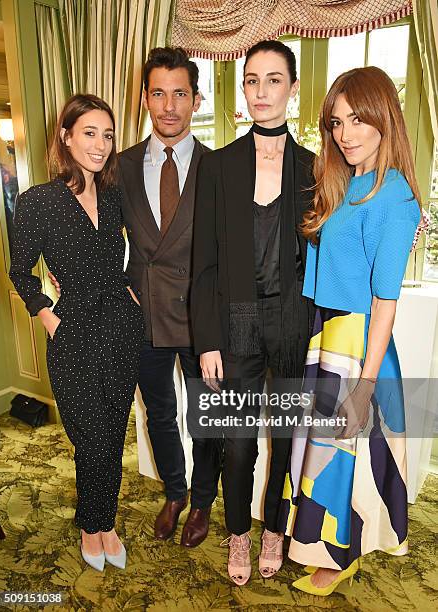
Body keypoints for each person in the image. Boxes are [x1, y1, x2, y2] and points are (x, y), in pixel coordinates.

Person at [277, 66, 421, 596]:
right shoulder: (349, 182)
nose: (346, 134)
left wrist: (364, 385)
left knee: (345, 453)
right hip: (328, 333)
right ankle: (330, 545)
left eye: (358, 120)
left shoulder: (394, 196)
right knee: (323, 452)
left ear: (385, 118)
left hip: (359, 342)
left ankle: (343, 556)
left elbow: (386, 301)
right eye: (337, 123)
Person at [191, 40, 316, 585]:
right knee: (238, 444)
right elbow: (204, 264)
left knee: (285, 440)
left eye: (273, 79)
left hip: (291, 322)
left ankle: (275, 528)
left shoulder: (316, 167)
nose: (261, 91)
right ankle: (239, 533)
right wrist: (207, 341)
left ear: (292, 87)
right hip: (235, 323)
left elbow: (338, 242)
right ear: (243, 89)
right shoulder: (218, 165)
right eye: (252, 80)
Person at [9, 94, 145, 572]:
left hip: (121, 328)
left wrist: (134, 291)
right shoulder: (38, 202)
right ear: (65, 137)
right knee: (88, 437)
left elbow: (143, 248)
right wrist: (48, 316)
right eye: (89, 132)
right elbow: (19, 271)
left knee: (110, 436)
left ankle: (104, 523)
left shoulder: (115, 194)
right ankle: (92, 524)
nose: (101, 144)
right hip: (72, 334)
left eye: (108, 135)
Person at [118, 47, 222, 547]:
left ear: (196, 99)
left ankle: (202, 502)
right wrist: (120, 284)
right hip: (145, 318)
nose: (169, 105)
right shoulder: (118, 166)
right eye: (158, 93)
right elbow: (95, 239)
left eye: (180, 93)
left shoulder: (220, 167)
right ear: (144, 99)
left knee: (205, 418)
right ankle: (175, 492)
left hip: (202, 320)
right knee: (159, 413)